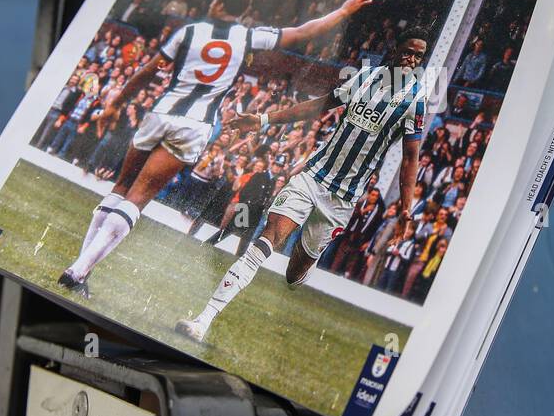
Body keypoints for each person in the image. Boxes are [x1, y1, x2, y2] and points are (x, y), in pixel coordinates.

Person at [55, 0, 376, 298]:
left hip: (161, 113)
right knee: (137, 198)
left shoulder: (188, 32)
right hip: (194, 125)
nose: (212, 1)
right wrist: (344, 10)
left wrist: (115, 103)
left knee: (122, 187)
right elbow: (305, 31)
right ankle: (79, 270)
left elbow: (150, 71)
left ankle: (80, 269)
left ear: (222, 6)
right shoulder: (247, 36)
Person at [177, 31, 428, 341]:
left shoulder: (415, 100)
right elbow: (317, 106)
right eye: (407, 51)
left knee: (294, 275)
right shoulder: (364, 78)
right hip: (312, 176)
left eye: (418, 57)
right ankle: (203, 320)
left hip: (342, 199)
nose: (411, 59)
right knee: (266, 242)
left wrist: (406, 209)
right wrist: (264, 120)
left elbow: (410, 158)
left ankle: (307, 257)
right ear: (395, 49)